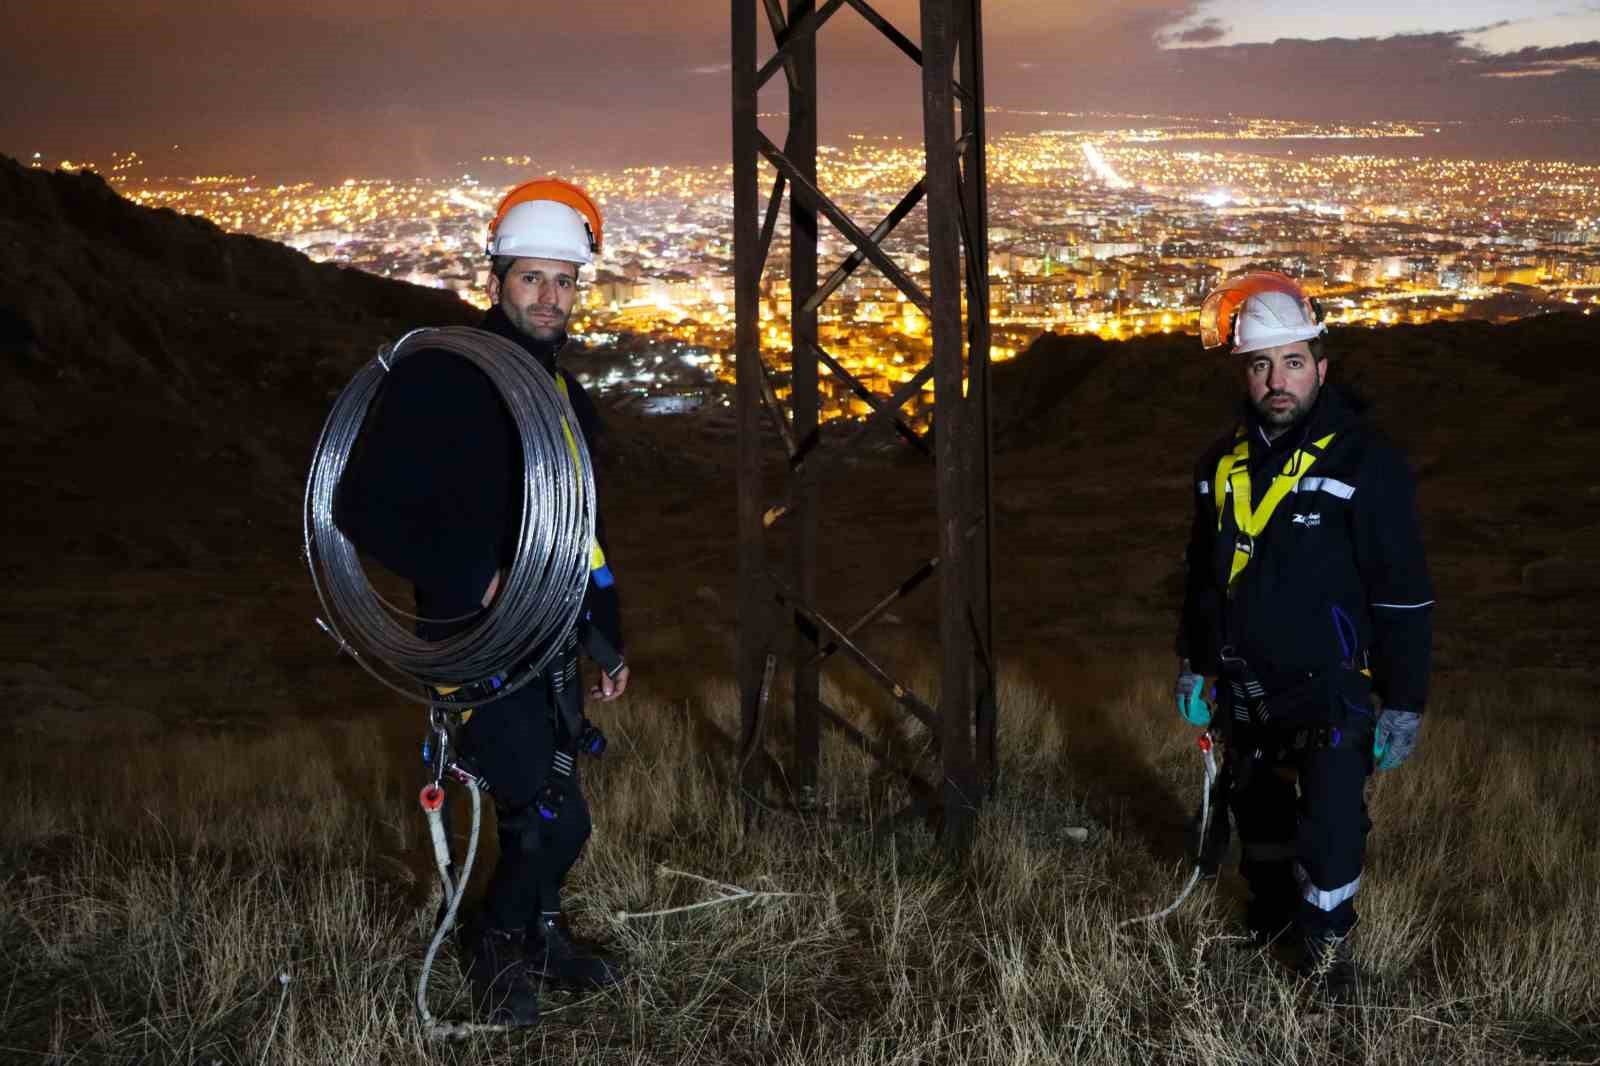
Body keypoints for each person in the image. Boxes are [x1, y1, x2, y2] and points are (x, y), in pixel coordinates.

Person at [335, 178, 630, 1026]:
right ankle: (496, 953)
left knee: (562, 812)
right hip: (477, 636)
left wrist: (606, 636)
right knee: (542, 815)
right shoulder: (446, 376)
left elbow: (586, 535)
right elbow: (364, 509)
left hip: (553, 639)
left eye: (563, 280)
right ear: (496, 280)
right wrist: (477, 576)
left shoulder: (564, 402)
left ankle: (535, 933)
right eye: (531, 278)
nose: (548, 297)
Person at [1174, 271, 1433, 997]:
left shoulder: (1364, 464)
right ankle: (1268, 928)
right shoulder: (1220, 468)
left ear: (1321, 367)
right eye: (1260, 365)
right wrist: (1194, 664)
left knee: (1328, 830)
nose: (1275, 380)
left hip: (1330, 686)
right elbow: (1202, 576)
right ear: (1245, 374)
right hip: (1246, 683)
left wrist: (1404, 700)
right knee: (1257, 818)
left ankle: (1327, 960)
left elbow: (1404, 595)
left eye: (1291, 362)